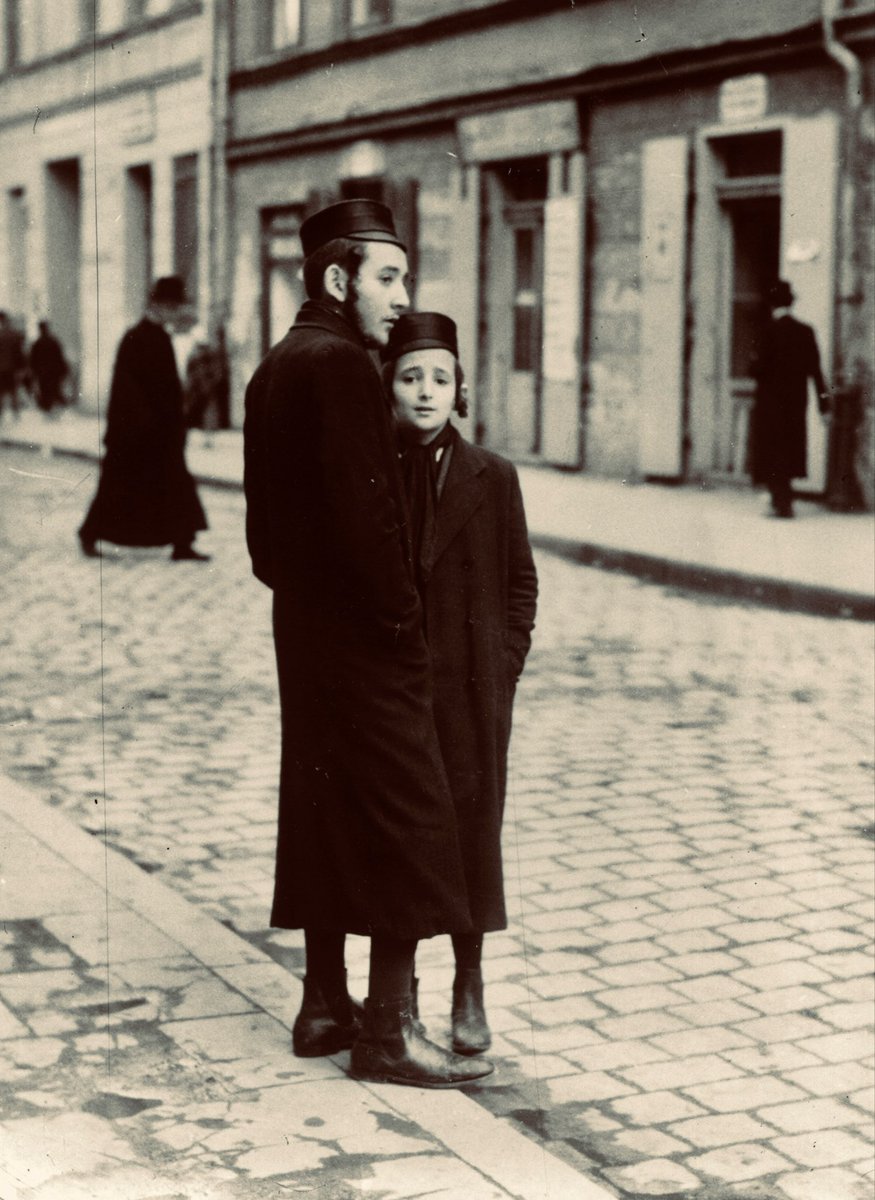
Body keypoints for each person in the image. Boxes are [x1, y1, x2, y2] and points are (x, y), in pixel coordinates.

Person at [243, 199, 492, 1089]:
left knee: (322, 807)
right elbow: (368, 522)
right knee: (411, 820)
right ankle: (386, 1033)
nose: (400, 298)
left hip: (304, 635)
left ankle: (321, 1007)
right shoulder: (347, 368)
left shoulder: (272, 370)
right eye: (388, 279)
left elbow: (264, 546)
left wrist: (315, 608)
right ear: (338, 279)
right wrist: (400, 624)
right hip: (368, 639)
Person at [383, 312, 537, 1055]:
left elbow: (519, 584)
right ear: (389, 386)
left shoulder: (491, 476)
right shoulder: (376, 473)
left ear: (459, 390)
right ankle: (400, 989)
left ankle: (467, 982)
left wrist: (502, 666)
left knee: (473, 835)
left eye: (439, 379)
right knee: (408, 841)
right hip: (401, 695)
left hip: (473, 694)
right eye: (410, 377)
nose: (424, 393)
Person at [78, 276, 209, 560]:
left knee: (174, 484)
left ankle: (182, 543)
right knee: (118, 488)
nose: (175, 314)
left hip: (162, 431)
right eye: (172, 308)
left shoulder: (160, 336)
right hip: (137, 434)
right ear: (159, 306)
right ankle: (89, 533)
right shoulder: (136, 337)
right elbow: (126, 388)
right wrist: (144, 426)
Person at [751, 279, 831, 518]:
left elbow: (756, 370)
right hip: (796, 403)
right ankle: (783, 501)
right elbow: (816, 372)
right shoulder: (805, 332)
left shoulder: (766, 331)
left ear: (770, 303)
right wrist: (823, 405)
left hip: (770, 404)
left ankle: (780, 502)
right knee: (788, 449)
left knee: (772, 451)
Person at [29, 319, 68, 417]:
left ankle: (48, 409)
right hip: (54, 371)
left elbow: (33, 359)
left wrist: (33, 371)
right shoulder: (53, 341)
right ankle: (53, 408)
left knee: (45, 390)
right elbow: (60, 357)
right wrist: (63, 370)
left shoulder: (37, 343)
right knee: (54, 389)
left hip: (42, 372)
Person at [0, 310, 26, 421]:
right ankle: (16, 414)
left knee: (1, 393)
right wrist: (21, 369)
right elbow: (19, 353)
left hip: (2, 369)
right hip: (11, 369)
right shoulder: (14, 335)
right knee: (13, 391)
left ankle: (1, 415)